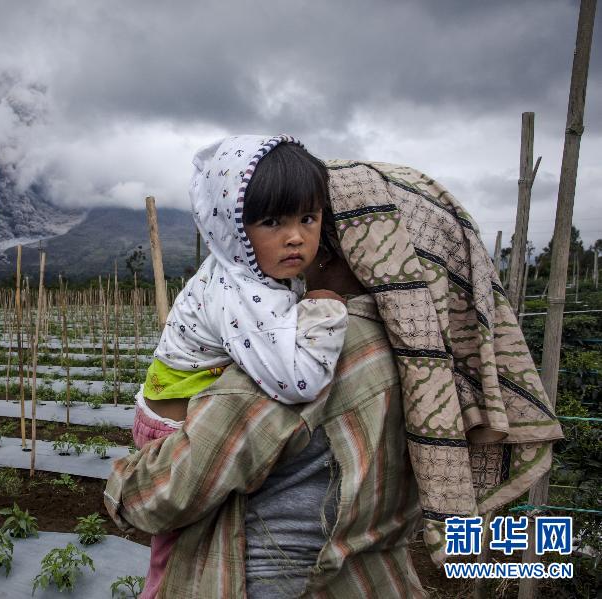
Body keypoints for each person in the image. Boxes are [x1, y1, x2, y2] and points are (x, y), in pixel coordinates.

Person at [106, 153, 563, 597]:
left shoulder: (308, 350)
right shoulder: (430, 366)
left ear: (345, 245)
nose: (302, 241)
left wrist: (120, 491)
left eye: (313, 220)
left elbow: (165, 494)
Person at [132, 136, 348, 599]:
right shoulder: (242, 291)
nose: (295, 236)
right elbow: (298, 380)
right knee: (179, 553)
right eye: (272, 221)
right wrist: (324, 311)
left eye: (308, 218)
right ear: (232, 226)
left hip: (180, 413)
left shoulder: (254, 273)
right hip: (172, 436)